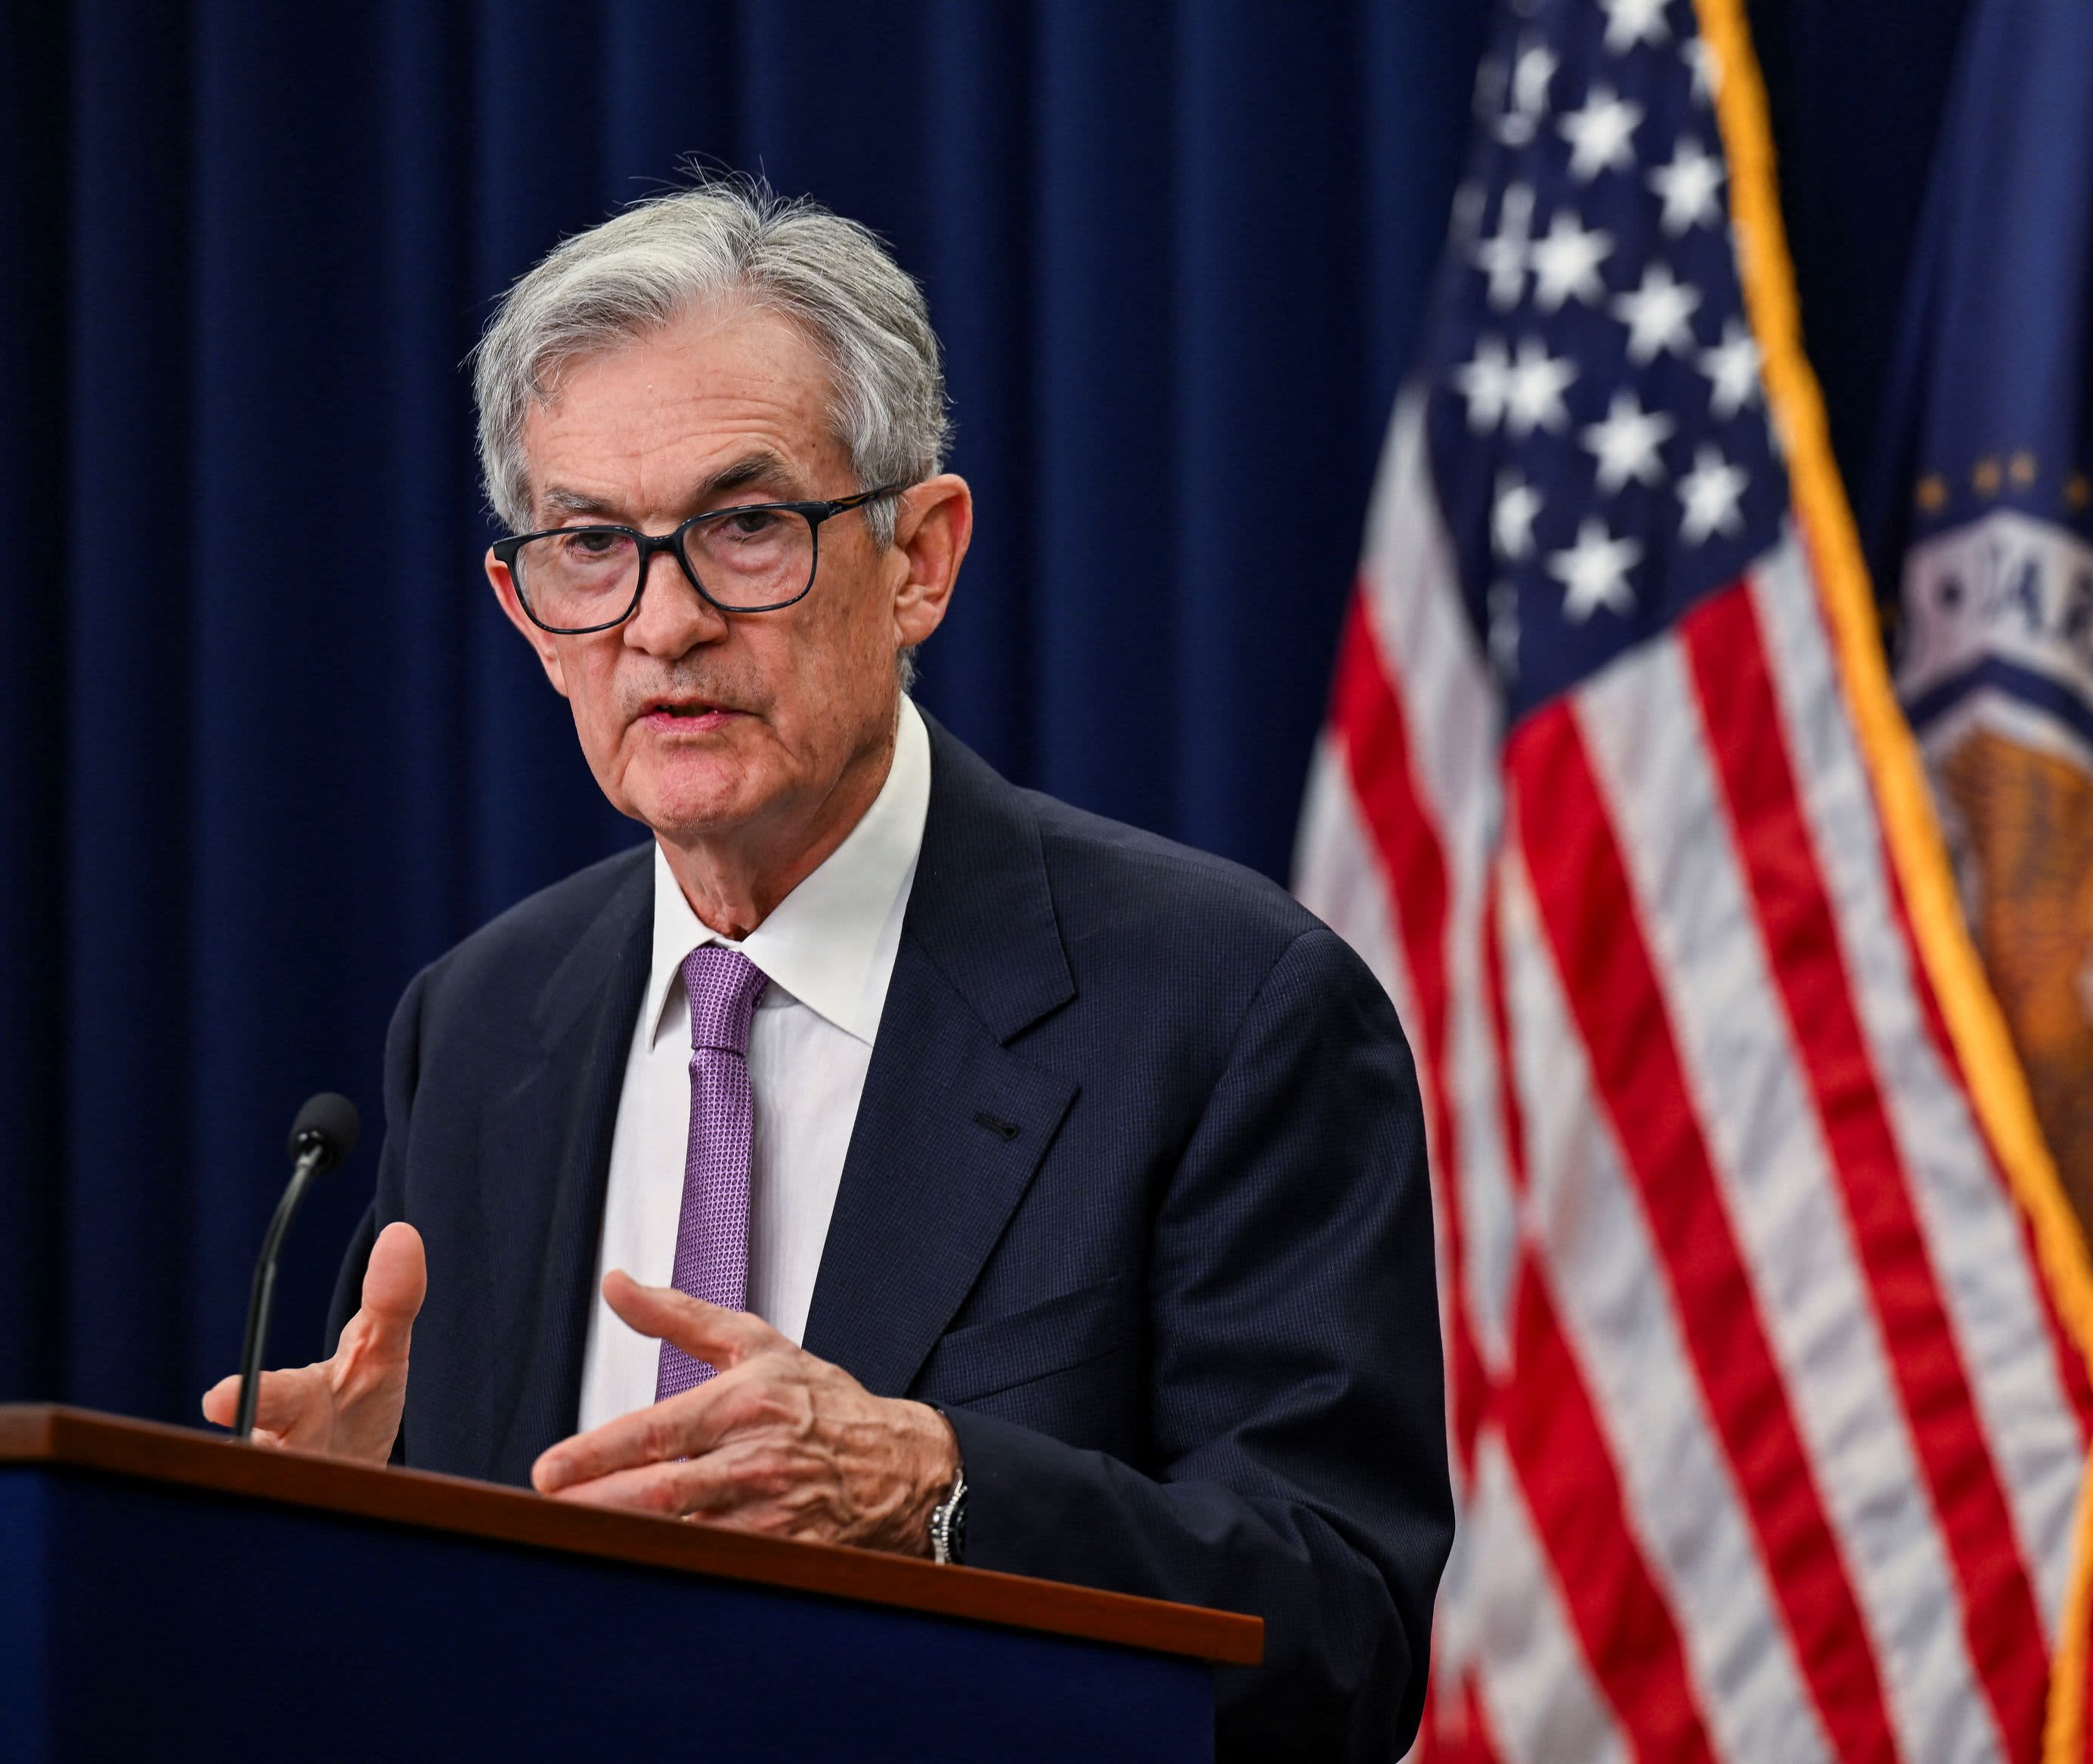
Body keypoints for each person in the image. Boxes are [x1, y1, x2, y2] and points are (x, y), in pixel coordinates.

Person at [202, 180, 1449, 1762]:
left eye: (743, 528)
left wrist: (932, 1491)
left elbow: (1343, 1640)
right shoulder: (480, 1020)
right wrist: (334, 1533)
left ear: (919, 558)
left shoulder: (1229, 1007)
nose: (661, 624)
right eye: (590, 545)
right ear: (525, 607)